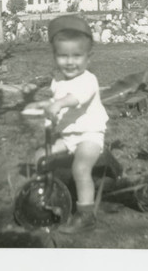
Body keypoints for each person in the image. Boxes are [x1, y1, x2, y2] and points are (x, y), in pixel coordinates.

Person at [24, 15, 109, 233]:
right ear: (55, 57)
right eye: (63, 56)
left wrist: (59, 103)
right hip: (68, 136)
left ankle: (86, 215)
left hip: (90, 135)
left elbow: (74, 98)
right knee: (40, 156)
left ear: (88, 59)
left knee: (80, 167)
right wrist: (45, 104)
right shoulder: (58, 80)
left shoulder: (89, 80)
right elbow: (56, 100)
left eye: (77, 56)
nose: (70, 62)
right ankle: (42, 195)